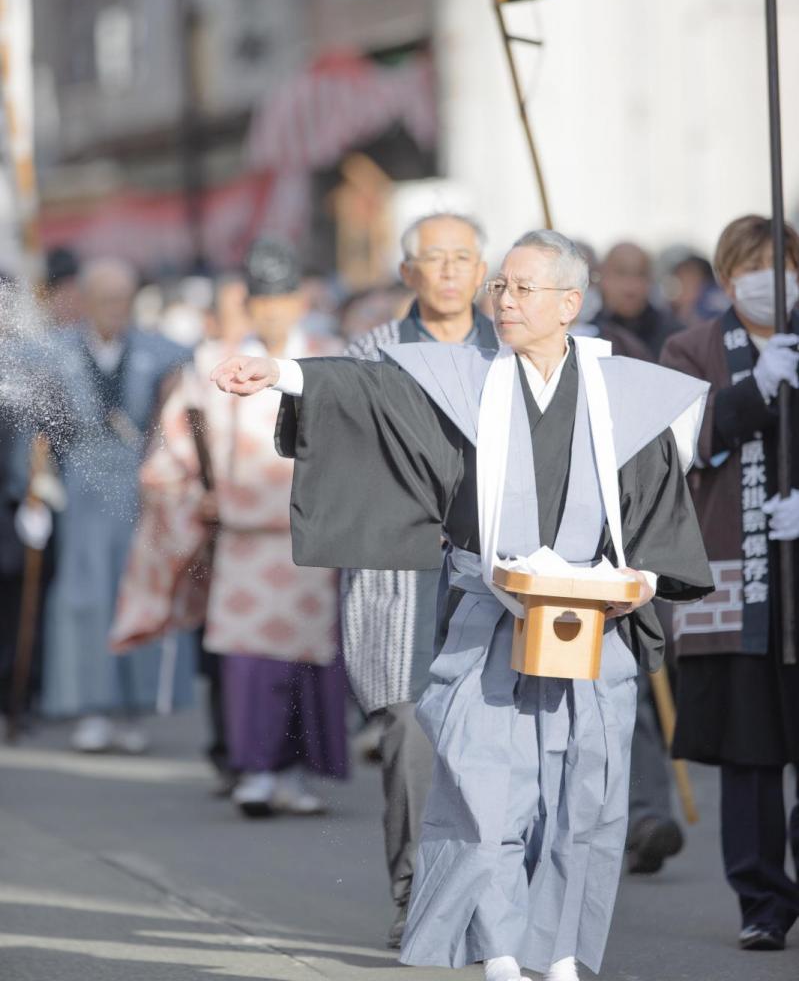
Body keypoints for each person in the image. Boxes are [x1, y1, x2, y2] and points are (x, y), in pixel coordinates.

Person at [213, 229, 712, 981]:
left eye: (521, 289)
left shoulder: (623, 398)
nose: (504, 302)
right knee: (482, 786)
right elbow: (370, 391)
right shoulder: (467, 377)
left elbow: (652, 516)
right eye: (500, 289)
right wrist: (283, 374)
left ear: (569, 305)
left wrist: (640, 581)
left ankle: (565, 948)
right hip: (488, 613)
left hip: (590, 622)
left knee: (584, 795)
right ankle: (499, 945)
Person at [117, 239, 348, 813]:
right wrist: (193, 493)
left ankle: (295, 775)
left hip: (309, 538)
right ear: (249, 303)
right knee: (245, 661)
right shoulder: (211, 364)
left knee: (305, 659)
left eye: (283, 298)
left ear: (299, 301)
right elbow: (174, 447)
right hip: (241, 538)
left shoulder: (330, 355)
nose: (273, 310)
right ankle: (253, 771)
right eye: (262, 300)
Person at [344, 213, 496, 948]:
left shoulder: (509, 351)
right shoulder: (373, 352)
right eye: (430, 258)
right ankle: (413, 893)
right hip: (400, 574)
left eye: (459, 257)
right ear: (406, 273)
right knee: (409, 728)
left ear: (481, 269)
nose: (444, 270)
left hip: (493, 572)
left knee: (489, 734)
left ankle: (487, 897)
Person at [663, 214, 799, 952]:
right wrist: (752, 395)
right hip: (732, 572)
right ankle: (761, 898)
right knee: (749, 750)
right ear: (723, 277)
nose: (766, 278)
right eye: (748, 265)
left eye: (779, 264)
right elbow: (682, 441)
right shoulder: (692, 348)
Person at [41, 259, 193, 752]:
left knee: (139, 591)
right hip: (81, 489)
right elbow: (34, 431)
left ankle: (135, 708)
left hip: (139, 486)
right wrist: (36, 485)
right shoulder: (55, 352)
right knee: (85, 597)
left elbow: (190, 371)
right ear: (83, 301)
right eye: (106, 300)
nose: (116, 310)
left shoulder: (158, 349)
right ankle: (91, 707)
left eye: (123, 300)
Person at [598, 242, 684, 358]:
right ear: (603, 277)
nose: (630, 286)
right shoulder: (586, 335)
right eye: (621, 273)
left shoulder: (674, 339)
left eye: (640, 274)